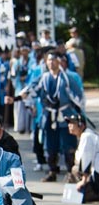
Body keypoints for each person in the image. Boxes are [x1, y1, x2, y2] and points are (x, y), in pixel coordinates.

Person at [37, 50, 84, 183]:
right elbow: (32, 89)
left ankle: (71, 172)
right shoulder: (44, 77)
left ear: (60, 62)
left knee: (68, 145)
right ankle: (52, 171)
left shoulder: (68, 78)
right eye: (49, 60)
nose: (51, 63)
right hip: (49, 114)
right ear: (46, 62)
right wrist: (16, 98)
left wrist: (80, 114)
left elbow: (78, 97)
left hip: (65, 115)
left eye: (54, 60)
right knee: (50, 145)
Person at [66, 112, 99, 203]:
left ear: (81, 125)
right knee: (75, 169)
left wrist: (83, 181)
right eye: (69, 123)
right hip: (96, 172)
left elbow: (86, 159)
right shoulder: (86, 135)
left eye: (72, 123)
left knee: (81, 197)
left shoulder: (87, 136)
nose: (69, 125)